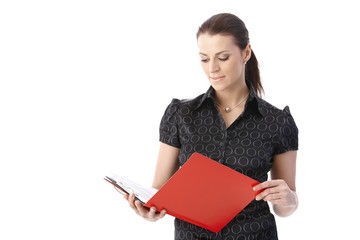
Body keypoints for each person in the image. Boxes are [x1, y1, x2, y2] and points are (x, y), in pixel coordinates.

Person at [124, 12, 299, 240]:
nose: (212, 69)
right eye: (205, 59)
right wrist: (150, 210)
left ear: (246, 52)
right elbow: (159, 191)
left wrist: (290, 200)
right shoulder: (180, 114)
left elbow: (284, 206)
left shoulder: (278, 121)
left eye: (223, 57)